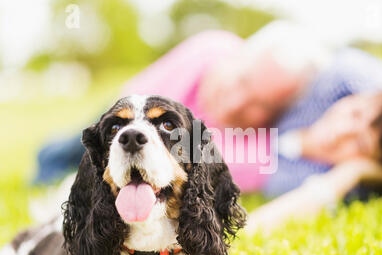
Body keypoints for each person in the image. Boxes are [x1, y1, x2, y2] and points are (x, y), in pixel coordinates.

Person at [33, 21, 328, 193]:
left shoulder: (263, 142)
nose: (238, 101)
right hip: (122, 123)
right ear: (240, 56)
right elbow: (139, 109)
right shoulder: (212, 48)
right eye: (243, 82)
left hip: (151, 161)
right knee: (63, 156)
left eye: (260, 104)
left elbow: (210, 170)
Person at [247, 86, 382, 234]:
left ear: (379, 169)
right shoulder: (345, 81)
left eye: (360, 145)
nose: (339, 132)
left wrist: (351, 172)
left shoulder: (320, 179)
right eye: (356, 114)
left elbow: (251, 228)